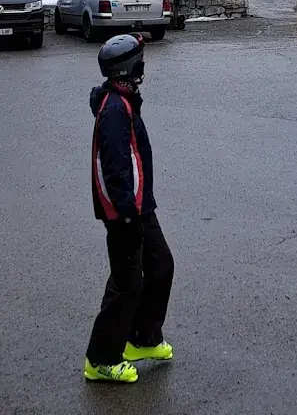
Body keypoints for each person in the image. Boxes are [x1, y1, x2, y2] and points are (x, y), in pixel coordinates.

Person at [84, 35, 174, 384]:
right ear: (129, 69)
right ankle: (101, 359)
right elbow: (114, 168)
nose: (144, 67)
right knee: (126, 283)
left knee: (160, 265)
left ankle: (141, 339)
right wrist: (124, 214)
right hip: (123, 211)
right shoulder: (115, 110)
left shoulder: (125, 99)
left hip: (139, 205)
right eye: (140, 61)